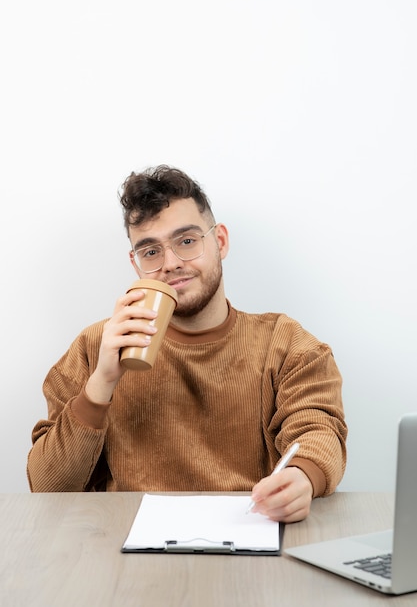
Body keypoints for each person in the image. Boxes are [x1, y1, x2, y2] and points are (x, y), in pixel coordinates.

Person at [27, 165, 347, 523]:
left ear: (220, 242)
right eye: (150, 251)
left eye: (187, 241)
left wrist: (303, 476)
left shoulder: (287, 344)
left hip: (251, 535)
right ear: (136, 264)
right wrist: (101, 383)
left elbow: (319, 430)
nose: (171, 264)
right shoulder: (96, 347)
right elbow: (46, 487)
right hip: (123, 550)